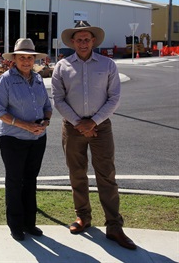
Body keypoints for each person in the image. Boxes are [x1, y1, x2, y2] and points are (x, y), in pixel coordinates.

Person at [51, 21, 136, 250]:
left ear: (94, 41)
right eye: (79, 39)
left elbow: (114, 97)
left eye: (87, 39)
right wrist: (79, 123)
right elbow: (58, 99)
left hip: (101, 127)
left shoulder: (108, 65)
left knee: (106, 175)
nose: (83, 43)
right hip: (72, 127)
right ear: (72, 42)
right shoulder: (62, 66)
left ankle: (114, 226)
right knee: (77, 174)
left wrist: (93, 121)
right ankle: (83, 217)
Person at [0, 38, 52, 242]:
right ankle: (16, 225)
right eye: (22, 58)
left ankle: (30, 223)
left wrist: (45, 122)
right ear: (15, 59)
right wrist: (25, 125)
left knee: (31, 180)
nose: (26, 61)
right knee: (14, 182)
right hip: (13, 140)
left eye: (30, 57)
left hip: (37, 139)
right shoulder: (6, 79)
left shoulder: (37, 79)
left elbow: (47, 106)